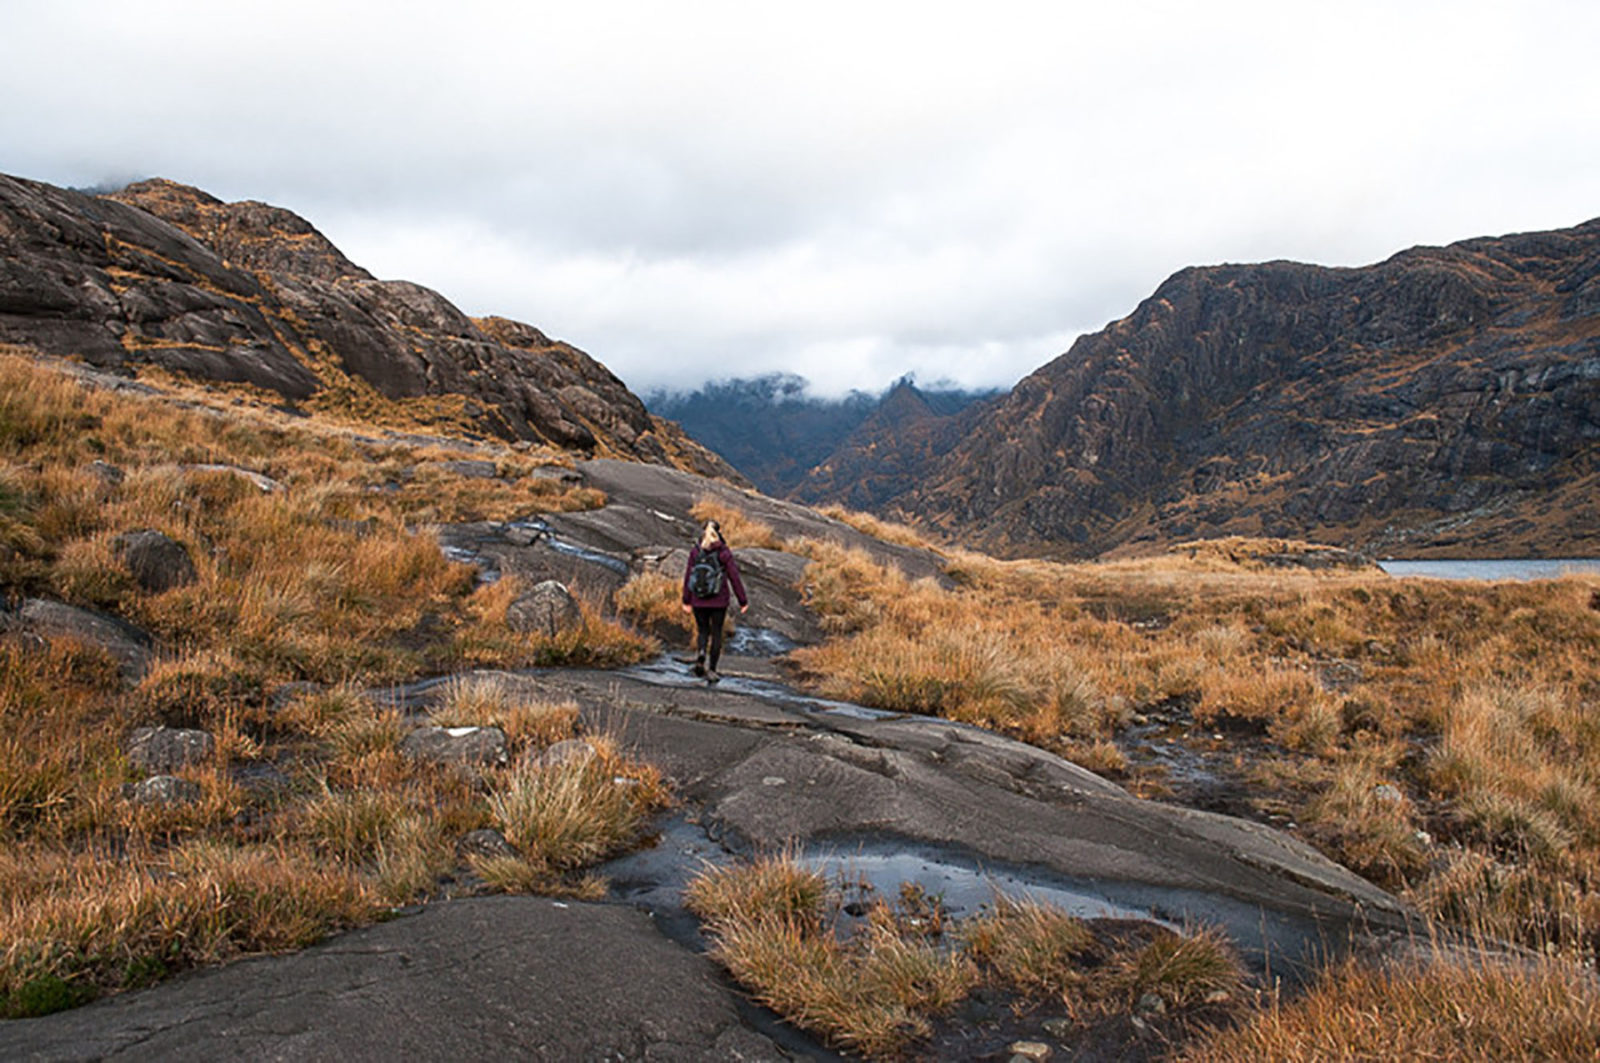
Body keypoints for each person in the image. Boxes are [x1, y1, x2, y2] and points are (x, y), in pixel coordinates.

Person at [681, 519, 748, 684]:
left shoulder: (696, 551)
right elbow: (734, 577)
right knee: (717, 633)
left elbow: (689, 577)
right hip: (719, 601)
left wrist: (686, 599)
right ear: (719, 533)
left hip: (698, 599)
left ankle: (701, 653)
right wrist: (742, 600)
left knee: (703, 631)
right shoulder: (723, 552)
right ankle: (712, 669)